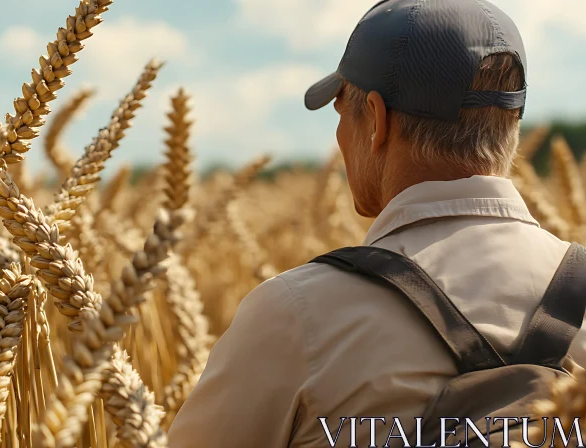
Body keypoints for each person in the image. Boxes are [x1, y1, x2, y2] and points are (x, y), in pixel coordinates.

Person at [166, 0, 586, 447]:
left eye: (341, 111)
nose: (338, 137)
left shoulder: (293, 314)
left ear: (377, 119)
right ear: (513, 126)